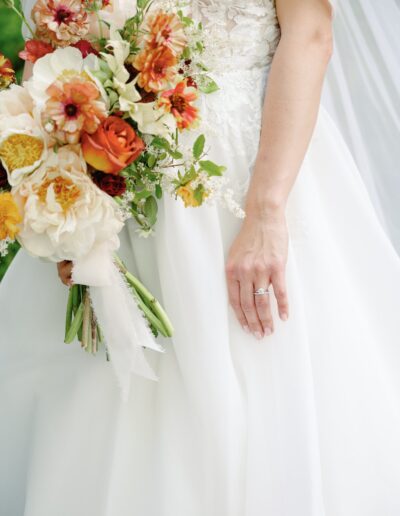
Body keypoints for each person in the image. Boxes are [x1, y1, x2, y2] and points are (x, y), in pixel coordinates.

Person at [1, 0, 400, 515]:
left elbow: (311, 34)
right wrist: (59, 196)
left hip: (240, 172)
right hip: (115, 173)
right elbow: (55, 31)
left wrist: (265, 211)